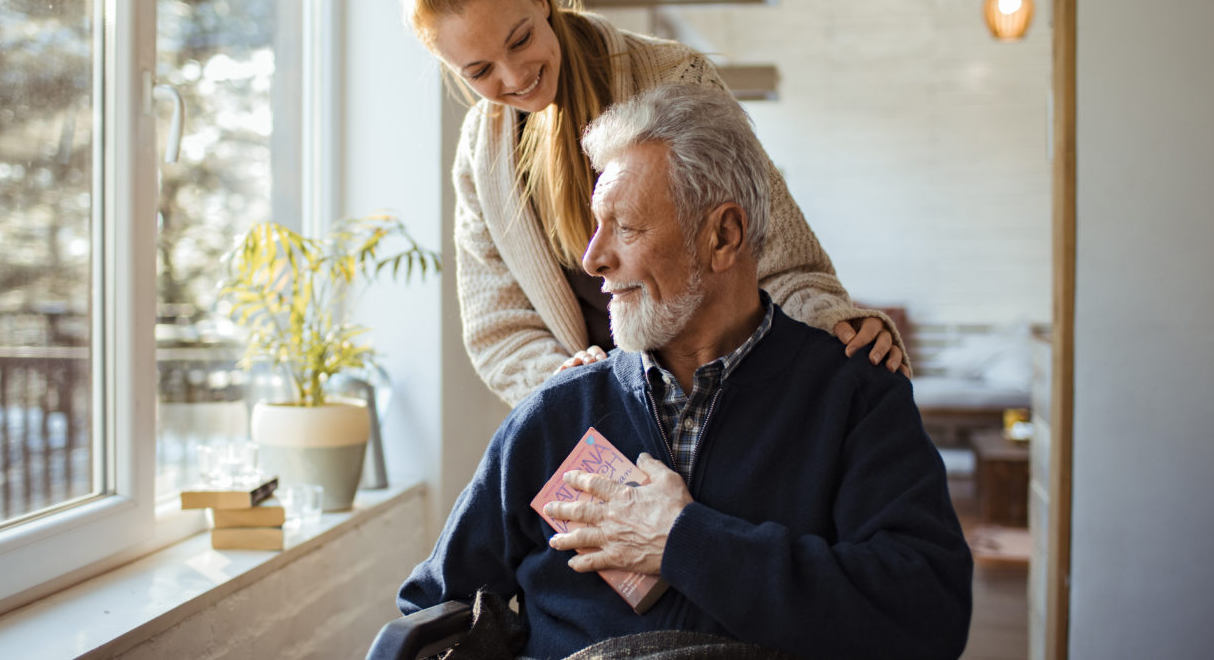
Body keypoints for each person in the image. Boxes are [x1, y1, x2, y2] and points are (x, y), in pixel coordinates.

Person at [398, 84, 973, 660]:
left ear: (723, 236)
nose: (593, 258)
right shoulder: (558, 412)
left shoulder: (855, 396)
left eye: (625, 227)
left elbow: (928, 618)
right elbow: (430, 608)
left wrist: (684, 541)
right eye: (596, 227)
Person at [405, 0, 909, 407]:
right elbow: (500, 327)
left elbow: (773, 246)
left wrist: (834, 321)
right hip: (598, 415)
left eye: (520, 40)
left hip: (725, 390)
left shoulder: (674, 76)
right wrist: (563, 385)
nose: (515, 75)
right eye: (480, 71)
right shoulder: (480, 155)